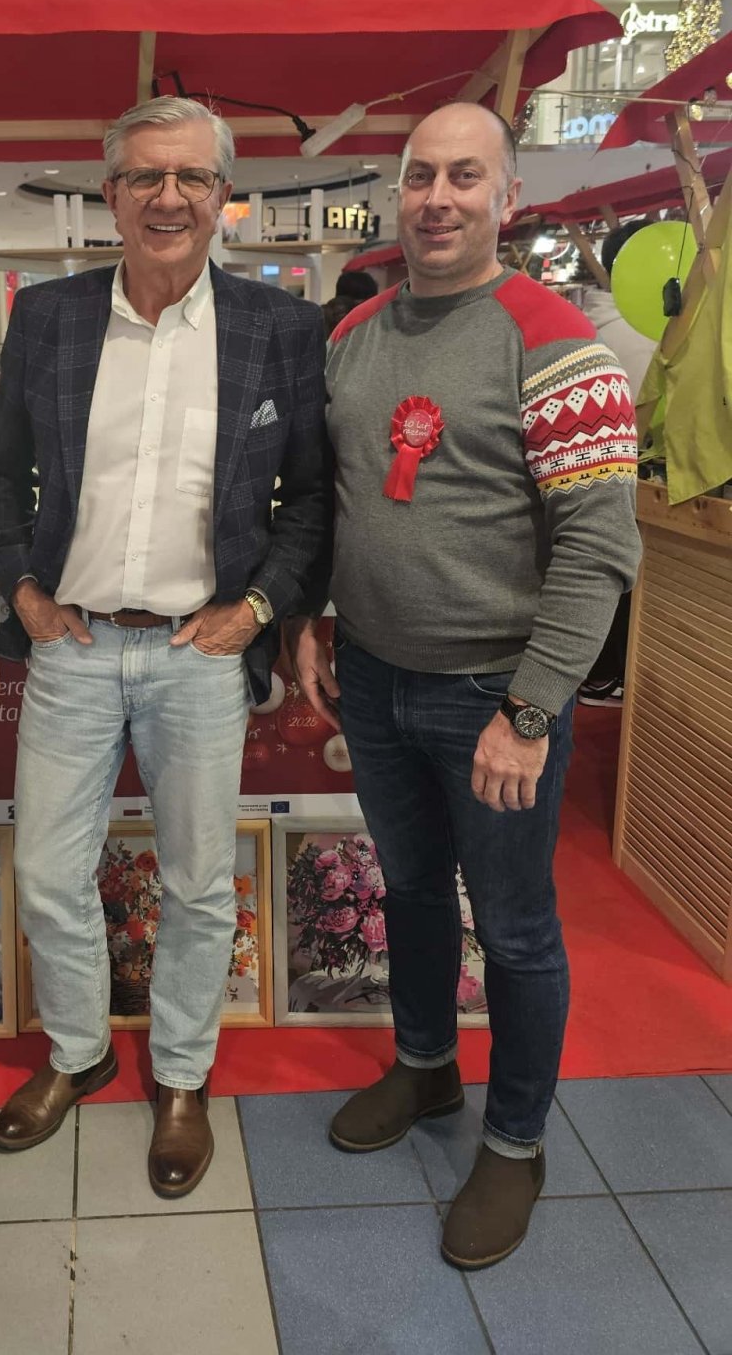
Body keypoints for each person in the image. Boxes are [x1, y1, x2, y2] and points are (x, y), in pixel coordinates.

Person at [291, 101, 641, 1270]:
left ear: (509, 196)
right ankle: (427, 1065)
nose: (437, 198)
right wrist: (318, 617)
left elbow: (599, 551)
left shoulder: (558, 345)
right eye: (419, 176)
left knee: (519, 925)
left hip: (496, 693)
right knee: (410, 893)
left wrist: (531, 711)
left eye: (464, 176)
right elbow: (348, 501)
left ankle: (516, 1139)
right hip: (375, 678)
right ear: (396, 193)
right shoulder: (356, 337)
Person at [0, 95, 327, 1197]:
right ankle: (78, 1052)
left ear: (224, 196)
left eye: (191, 178)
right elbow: (0, 472)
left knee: (197, 882)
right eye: (144, 176)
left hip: (200, 653)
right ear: (112, 193)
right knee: (46, 870)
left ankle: (181, 1074)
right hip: (73, 645)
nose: (168, 197)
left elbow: (313, 500)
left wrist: (257, 610)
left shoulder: (279, 327)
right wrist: (22, 591)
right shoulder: (49, 317)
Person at [575, 219, 658, 705]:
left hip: (578, 477)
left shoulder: (585, 323)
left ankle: (595, 673)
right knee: (616, 572)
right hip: (625, 475)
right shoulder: (646, 334)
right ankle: (603, 674)